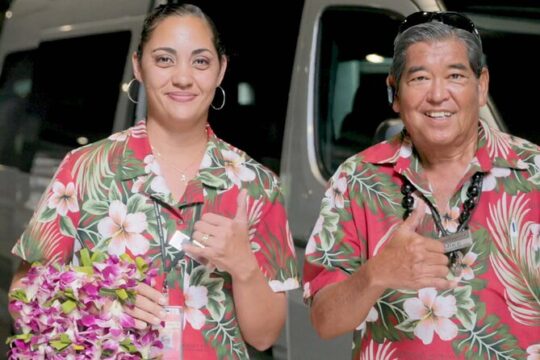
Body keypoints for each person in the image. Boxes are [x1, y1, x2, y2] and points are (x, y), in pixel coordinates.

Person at [9, 3, 299, 358]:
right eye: (164, 59)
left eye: (201, 61)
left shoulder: (257, 186)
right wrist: (95, 303)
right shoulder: (86, 169)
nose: (182, 77)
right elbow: (22, 294)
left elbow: (265, 336)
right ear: (138, 66)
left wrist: (243, 267)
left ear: (221, 70)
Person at [303, 11, 540, 359]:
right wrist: (376, 273)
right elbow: (325, 321)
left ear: (482, 85)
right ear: (395, 92)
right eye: (419, 78)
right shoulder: (357, 178)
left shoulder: (533, 172)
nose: (438, 95)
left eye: (455, 75)